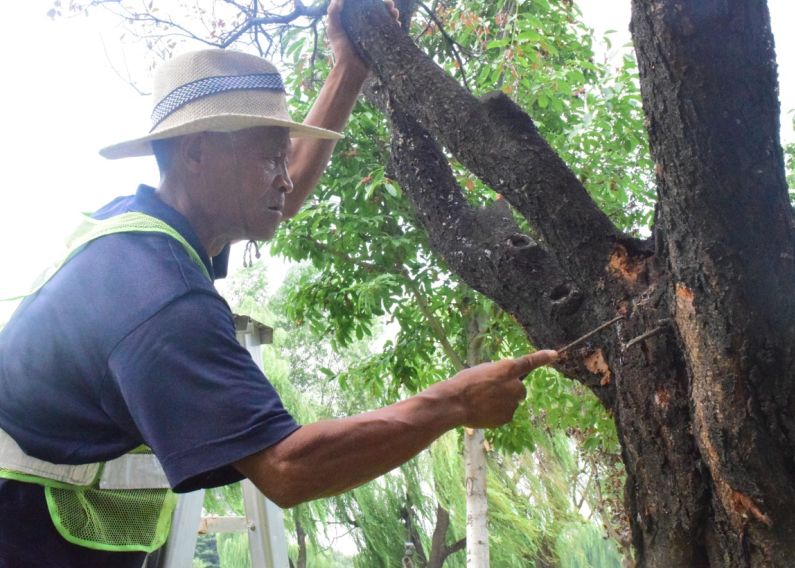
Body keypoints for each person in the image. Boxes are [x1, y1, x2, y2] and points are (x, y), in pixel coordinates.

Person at [0, 1, 557, 566]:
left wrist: (348, 68)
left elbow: (276, 202)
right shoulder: (161, 297)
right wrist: (452, 402)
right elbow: (288, 469)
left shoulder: (142, 234)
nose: (287, 179)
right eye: (271, 159)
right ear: (198, 153)